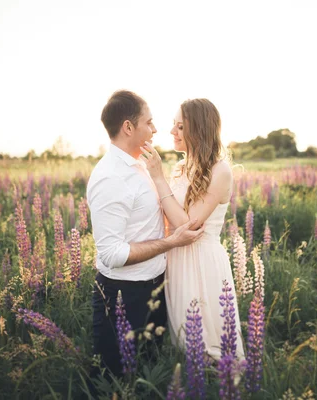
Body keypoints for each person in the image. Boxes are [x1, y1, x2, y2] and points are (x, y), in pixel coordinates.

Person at [86, 90, 205, 377]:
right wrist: (171, 242)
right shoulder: (110, 177)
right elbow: (112, 254)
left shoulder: (141, 164)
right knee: (113, 381)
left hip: (154, 288)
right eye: (148, 123)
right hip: (122, 297)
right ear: (128, 127)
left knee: (150, 375)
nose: (155, 130)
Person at [140, 98, 245, 360]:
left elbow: (186, 223)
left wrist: (157, 177)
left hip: (201, 260)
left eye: (180, 127)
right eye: (173, 126)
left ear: (199, 129)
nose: (172, 132)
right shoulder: (181, 167)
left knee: (209, 341)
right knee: (182, 336)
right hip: (175, 257)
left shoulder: (220, 171)